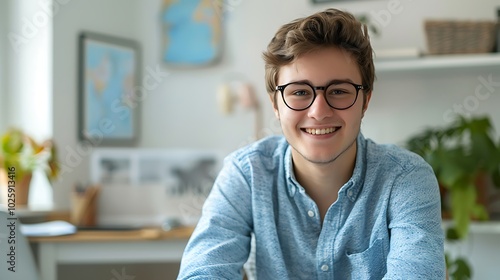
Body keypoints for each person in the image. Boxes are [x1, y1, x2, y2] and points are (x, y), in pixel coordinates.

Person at [177, 8, 445, 279]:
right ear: (275, 104)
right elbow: (202, 272)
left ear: (365, 101)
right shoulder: (246, 174)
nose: (318, 111)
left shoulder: (407, 178)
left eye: (339, 91)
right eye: (300, 92)